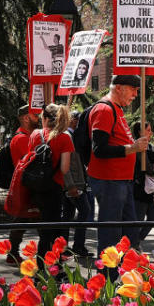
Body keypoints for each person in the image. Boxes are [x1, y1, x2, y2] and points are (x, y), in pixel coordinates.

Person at [88, 74, 149, 254]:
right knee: (111, 236)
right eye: (133, 90)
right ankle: (108, 278)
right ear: (119, 88)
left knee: (129, 233)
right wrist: (132, 148)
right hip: (110, 182)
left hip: (120, 181)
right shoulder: (104, 110)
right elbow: (99, 149)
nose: (136, 94)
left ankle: (120, 276)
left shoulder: (116, 109)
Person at [26, 104, 74, 254]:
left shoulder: (35, 134)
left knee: (43, 228)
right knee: (52, 229)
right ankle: (52, 266)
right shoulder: (65, 137)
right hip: (54, 187)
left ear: (45, 118)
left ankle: (43, 267)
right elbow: (64, 169)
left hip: (36, 187)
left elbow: (29, 159)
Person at [4, 105, 40, 265]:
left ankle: (13, 253)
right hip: (26, 185)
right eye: (35, 115)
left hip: (28, 184)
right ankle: (13, 253)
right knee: (23, 219)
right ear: (26, 118)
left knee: (25, 220)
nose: (38, 118)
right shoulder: (22, 138)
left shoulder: (26, 136)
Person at [62, 110, 92, 257]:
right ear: (73, 120)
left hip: (75, 182)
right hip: (73, 184)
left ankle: (64, 246)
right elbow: (65, 165)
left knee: (67, 215)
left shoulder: (72, 136)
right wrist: (71, 185)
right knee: (85, 211)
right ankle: (78, 246)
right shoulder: (68, 136)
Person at [131, 121, 154, 250]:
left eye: (150, 130)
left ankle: (136, 241)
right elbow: (147, 167)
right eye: (148, 130)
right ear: (140, 132)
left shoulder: (149, 146)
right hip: (140, 188)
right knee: (138, 219)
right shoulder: (137, 146)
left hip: (150, 189)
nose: (150, 132)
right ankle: (131, 245)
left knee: (153, 218)